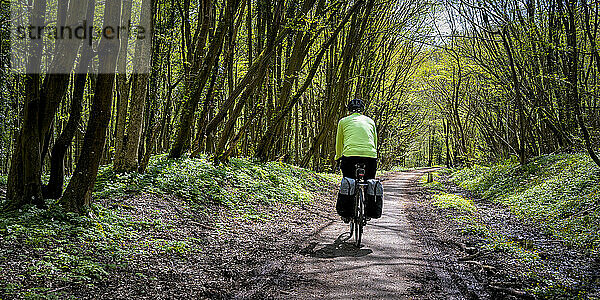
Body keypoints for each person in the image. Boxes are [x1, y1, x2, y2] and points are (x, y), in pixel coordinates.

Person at [335, 98, 378, 181]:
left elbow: (339, 142)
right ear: (362, 111)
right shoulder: (370, 121)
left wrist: (338, 157)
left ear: (349, 111)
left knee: (348, 181)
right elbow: (375, 141)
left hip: (350, 155)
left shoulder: (343, 121)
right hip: (370, 156)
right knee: (369, 181)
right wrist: (374, 154)